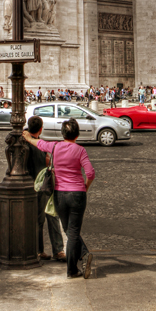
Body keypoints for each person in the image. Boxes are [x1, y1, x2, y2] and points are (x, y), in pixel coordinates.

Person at [23, 118, 95, 280]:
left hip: (59, 194)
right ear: (77, 135)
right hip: (77, 193)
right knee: (73, 231)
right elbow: (90, 173)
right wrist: (85, 187)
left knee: (69, 230)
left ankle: (80, 261)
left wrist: (27, 136)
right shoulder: (80, 150)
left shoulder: (54, 147)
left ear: (63, 134)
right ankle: (74, 266)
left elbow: (39, 144)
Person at [26, 115, 66, 262]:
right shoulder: (38, 144)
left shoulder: (26, 142)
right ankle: (58, 250)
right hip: (44, 184)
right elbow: (48, 160)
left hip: (32, 185)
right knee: (51, 216)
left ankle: (39, 250)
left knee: (39, 219)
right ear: (41, 128)